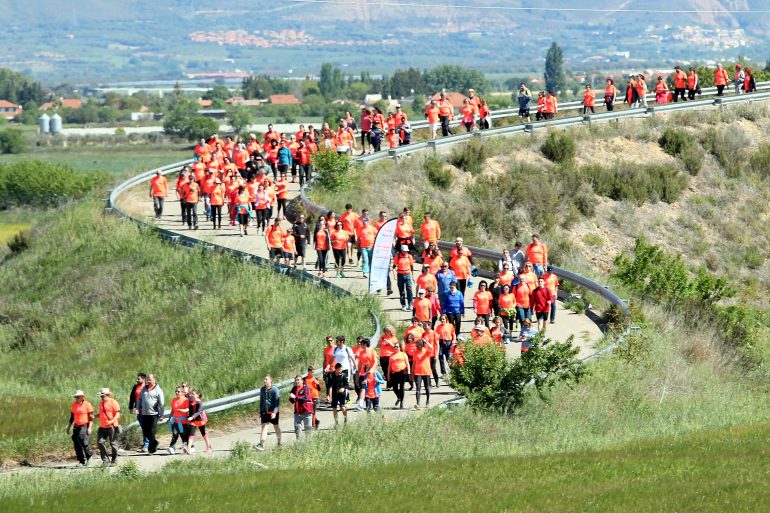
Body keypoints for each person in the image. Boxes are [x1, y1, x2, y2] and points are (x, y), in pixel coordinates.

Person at [94, 388, 120, 467]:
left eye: (102, 396)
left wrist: (111, 421)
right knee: (100, 442)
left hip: (112, 426)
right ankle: (105, 460)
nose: (101, 397)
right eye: (101, 396)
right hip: (102, 427)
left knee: (113, 444)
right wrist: (95, 416)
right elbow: (102, 414)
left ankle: (114, 460)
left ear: (107, 395)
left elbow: (117, 414)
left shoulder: (113, 402)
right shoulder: (101, 403)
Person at [66, 390, 94, 467]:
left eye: (77, 397)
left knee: (83, 441)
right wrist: (68, 427)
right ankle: (81, 461)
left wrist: (90, 428)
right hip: (76, 426)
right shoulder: (74, 404)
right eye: (75, 397)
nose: (76, 398)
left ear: (82, 397)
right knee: (76, 441)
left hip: (84, 425)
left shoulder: (87, 404)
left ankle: (89, 456)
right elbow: (72, 417)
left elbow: (91, 418)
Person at [254, 374, 281, 451]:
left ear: (270, 380)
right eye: (264, 379)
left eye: (266, 379)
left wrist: (274, 412)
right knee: (264, 427)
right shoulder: (262, 389)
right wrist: (260, 411)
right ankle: (261, 444)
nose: (264, 381)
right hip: (265, 412)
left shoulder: (275, 389)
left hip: (273, 412)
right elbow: (261, 401)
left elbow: (277, 402)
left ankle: (279, 442)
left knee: (276, 427)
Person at [140, 373, 164, 455]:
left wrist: (161, 414)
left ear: (154, 379)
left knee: (151, 431)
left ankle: (151, 449)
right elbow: (140, 398)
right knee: (145, 431)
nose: (148, 381)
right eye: (147, 379)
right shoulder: (144, 389)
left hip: (154, 414)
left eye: (150, 379)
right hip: (145, 414)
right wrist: (138, 408)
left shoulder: (158, 390)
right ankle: (154, 442)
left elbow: (161, 403)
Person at [185, 389, 212, 453]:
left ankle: (208, 446)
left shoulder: (199, 402)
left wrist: (192, 417)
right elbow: (190, 411)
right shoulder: (191, 402)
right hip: (193, 421)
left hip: (200, 420)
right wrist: (189, 418)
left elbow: (199, 411)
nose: (192, 395)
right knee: (191, 434)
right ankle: (188, 448)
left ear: (197, 395)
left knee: (203, 433)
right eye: (192, 394)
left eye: (193, 394)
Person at [128, 373, 148, 453]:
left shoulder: (147, 387)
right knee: (143, 426)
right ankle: (148, 442)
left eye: (138, 379)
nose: (137, 380)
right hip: (138, 409)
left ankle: (146, 445)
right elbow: (132, 397)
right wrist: (131, 407)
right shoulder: (135, 387)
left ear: (143, 379)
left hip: (147, 409)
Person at [289, 375, 314, 440]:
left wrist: (295, 397)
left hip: (306, 410)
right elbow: (292, 400)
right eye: (296, 380)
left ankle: (309, 443)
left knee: (308, 429)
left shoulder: (305, 388)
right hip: (297, 412)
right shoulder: (294, 388)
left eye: (298, 380)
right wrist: (291, 397)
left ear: (302, 381)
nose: (297, 381)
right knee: (297, 428)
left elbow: (305, 398)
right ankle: (299, 444)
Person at [167, 385, 189, 455]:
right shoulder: (174, 400)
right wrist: (169, 418)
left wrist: (182, 410)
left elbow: (188, 409)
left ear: (182, 392)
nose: (176, 392)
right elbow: (172, 410)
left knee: (184, 435)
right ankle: (171, 447)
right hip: (175, 421)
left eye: (178, 391)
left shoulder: (186, 400)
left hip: (183, 421)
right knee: (175, 434)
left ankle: (188, 446)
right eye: (176, 391)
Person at [411, 339, 433, 410]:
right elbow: (414, 363)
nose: (417, 346)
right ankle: (418, 403)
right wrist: (412, 372)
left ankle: (428, 401)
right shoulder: (415, 352)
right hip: (417, 372)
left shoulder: (426, 351)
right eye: (417, 345)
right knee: (418, 388)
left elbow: (431, 348)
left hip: (426, 372)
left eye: (419, 345)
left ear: (422, 345)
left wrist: (426, 342)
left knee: (427, 387)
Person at [387, 342, 410, 409]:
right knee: (394, 388)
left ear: (400, 347)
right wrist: (388, 375)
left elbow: (407, 363)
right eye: (394, 347)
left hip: (402, 372)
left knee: (402, 387)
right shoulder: (391, 356)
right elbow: (389, 366)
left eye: (397, 346)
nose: (396, 348)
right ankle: (399, 397)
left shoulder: (403, 354)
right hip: (394, 373)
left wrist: (408, 372)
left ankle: (402, 402)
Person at [394, 244, 415, 312]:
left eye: (406, 251)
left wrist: (413, 276)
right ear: (401, 250)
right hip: (400, 275)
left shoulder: (409, 256)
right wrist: (394, 275)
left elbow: (412, 266)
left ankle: (410, 304)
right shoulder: (398, 256)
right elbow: (394, 266)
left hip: (408, 274)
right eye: (404, 251)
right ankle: (403, 305)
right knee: (402, 291)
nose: (405, 252)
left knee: (409, 290)